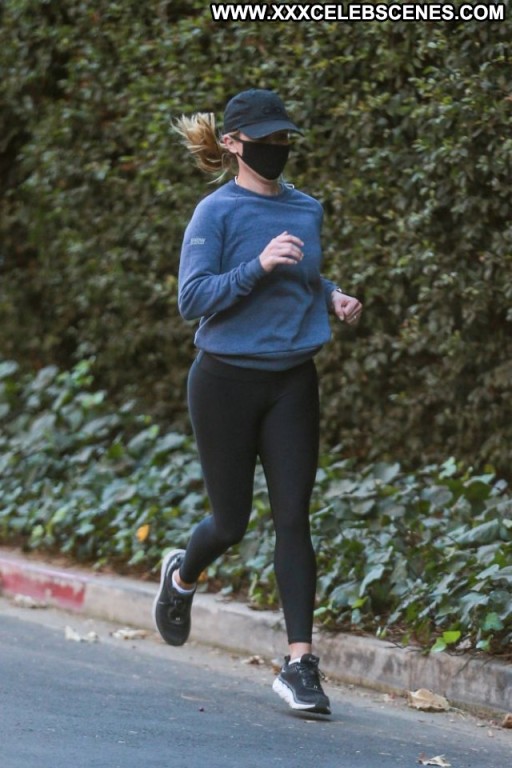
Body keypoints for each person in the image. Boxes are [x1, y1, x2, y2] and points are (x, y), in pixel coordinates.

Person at [153, 88, 363, 715]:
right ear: (233, 144)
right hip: (224, 382)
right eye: (264, 140)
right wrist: (258, 266)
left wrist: (331, 294)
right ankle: (182, 575)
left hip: (293, 379)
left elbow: (306, 272)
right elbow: (192, 299)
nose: (276, 148)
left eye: (283, 139)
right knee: (232, 521)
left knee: (293, 516)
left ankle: (300, 665)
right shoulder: (214, 213)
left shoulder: (306, 208)